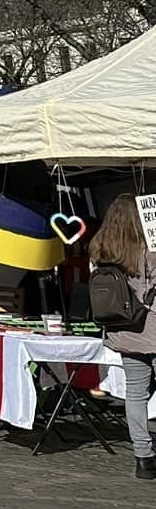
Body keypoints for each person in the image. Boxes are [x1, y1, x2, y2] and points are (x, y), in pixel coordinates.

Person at [90, 193, 156, 479]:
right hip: (152, 325)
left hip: (123, 328)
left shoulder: (99, 249)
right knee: (138, 393)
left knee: (135, 393)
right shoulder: (147, 249)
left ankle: (143, 456)